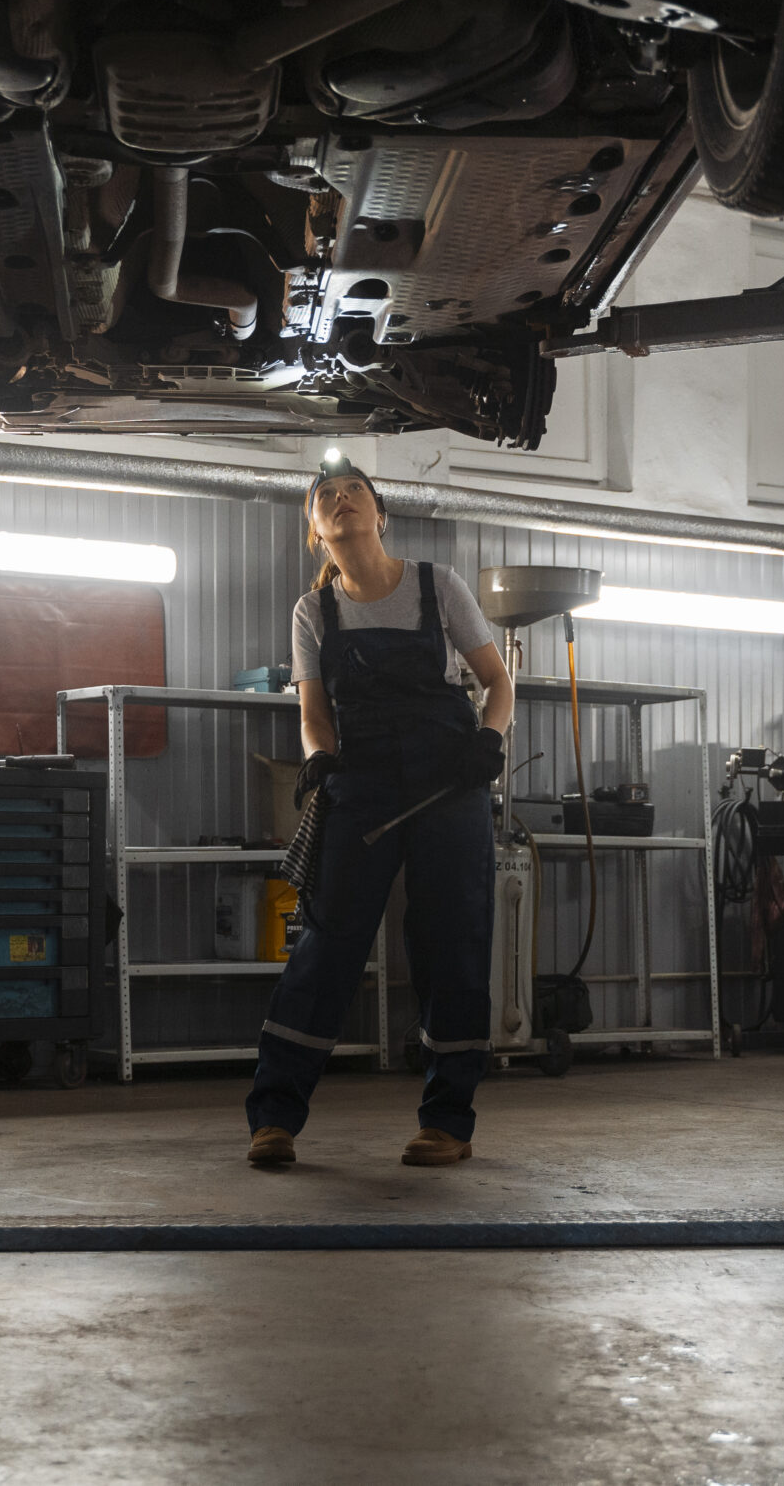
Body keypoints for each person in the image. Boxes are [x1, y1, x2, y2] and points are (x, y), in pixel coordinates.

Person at [245, 459, 513, 1168]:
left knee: (451, 941)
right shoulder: (314, 611)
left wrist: (489, 738)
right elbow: (314, 713)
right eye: (324, 495)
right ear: (315, 528)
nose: (339, 499)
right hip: (360, 786)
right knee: (327, 945)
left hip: (448, 785)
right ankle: (274, 1117)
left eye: (353, 491)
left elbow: (497, 680)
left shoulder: (437, 584)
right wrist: (320, 758)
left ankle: (447, 1121)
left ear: (380, 513)